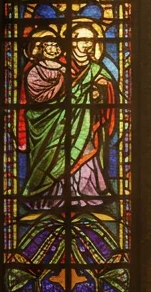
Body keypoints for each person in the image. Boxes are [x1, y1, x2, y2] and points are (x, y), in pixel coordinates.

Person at [22, 21, 116, 210]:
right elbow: (42, 97)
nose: (87, 44)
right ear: (72, 42)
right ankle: (52, 197)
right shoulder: (60, 65)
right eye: (82, 39)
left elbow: (107, 91)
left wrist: (98, 94)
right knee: (54, 157)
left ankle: (87, 195)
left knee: (86, 153)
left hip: (85, 123)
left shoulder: (95, 68)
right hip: (53, 125)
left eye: (91, 40)